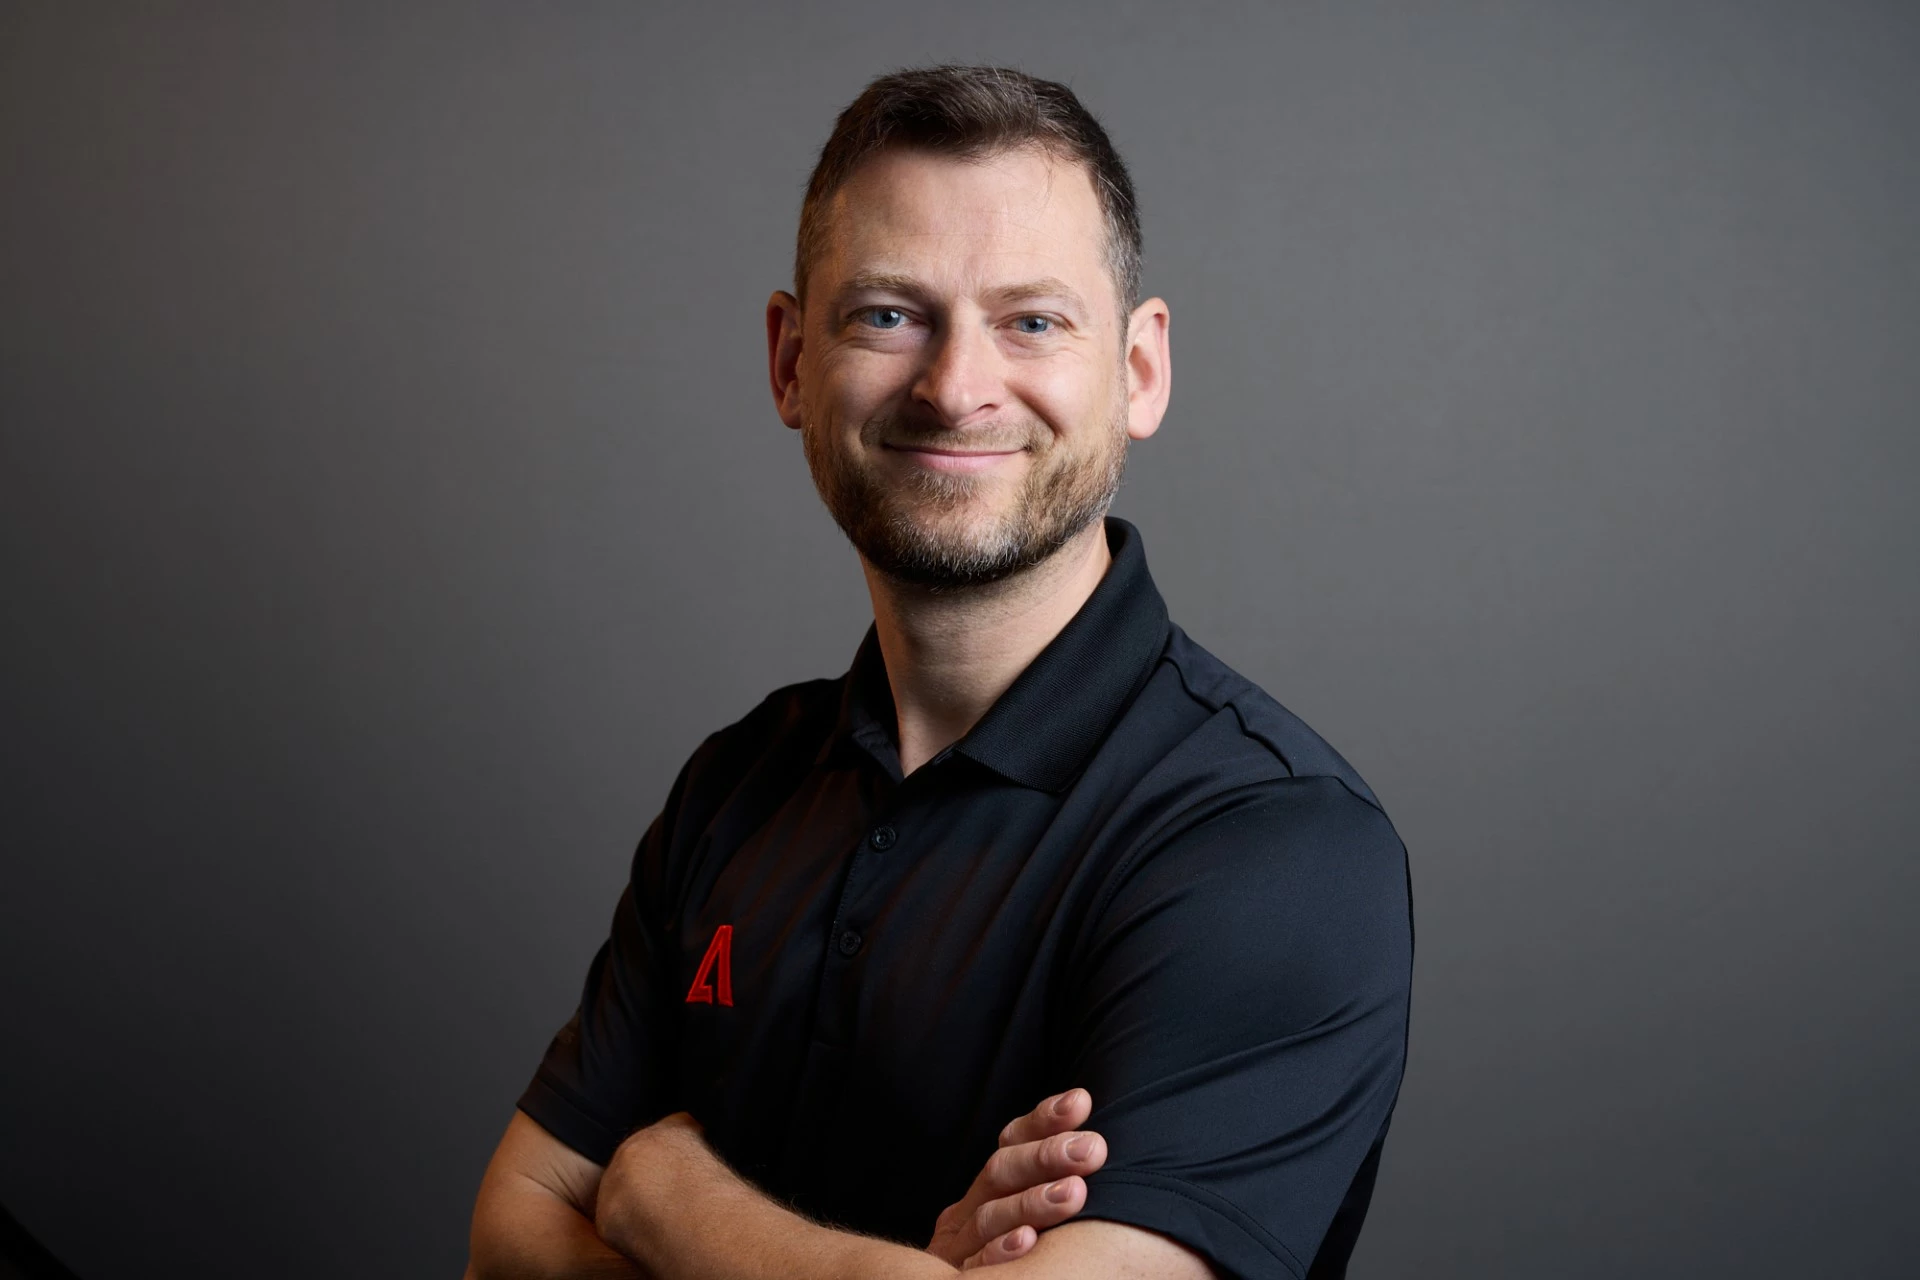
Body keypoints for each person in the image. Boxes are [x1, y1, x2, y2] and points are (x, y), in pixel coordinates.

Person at [466, 65, 1413, 1280]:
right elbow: (506, 1235)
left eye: (1033, 321)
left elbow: (580, 1214)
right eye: (887, 315)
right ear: (790, 361)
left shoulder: (1273, 843)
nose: (956, 387)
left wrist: (664, 1190)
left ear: (1138, 371)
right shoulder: (736, 784)